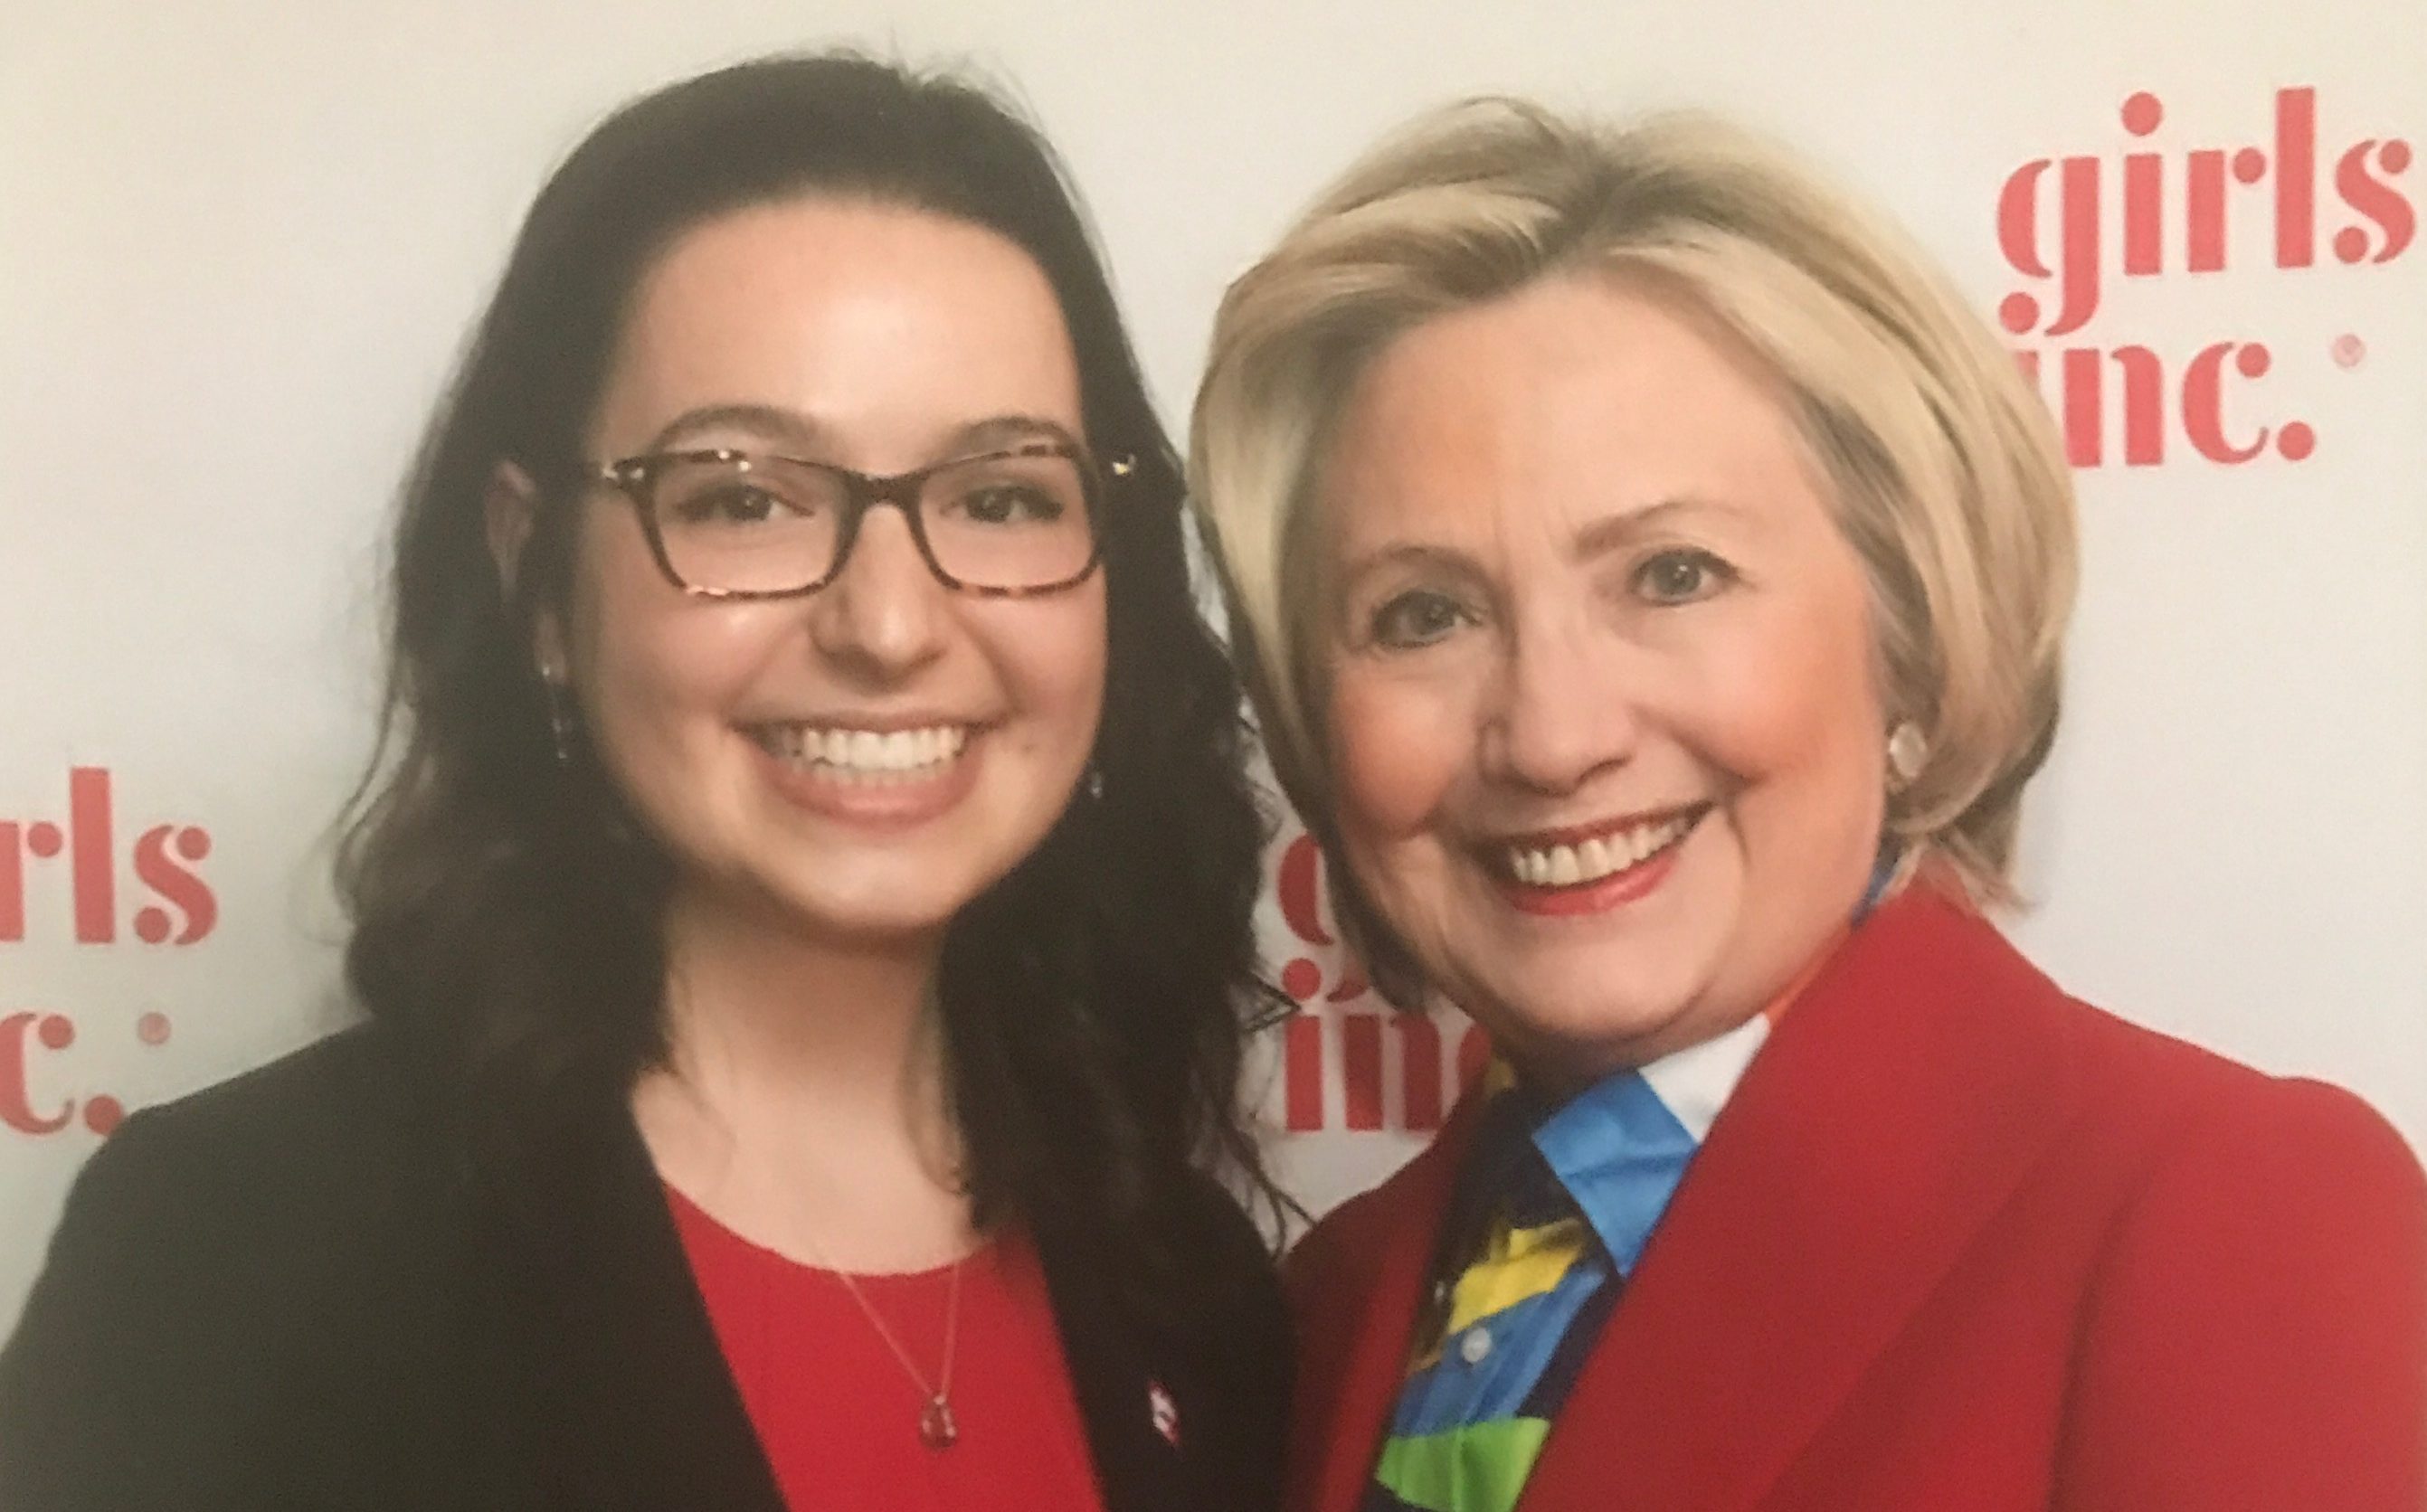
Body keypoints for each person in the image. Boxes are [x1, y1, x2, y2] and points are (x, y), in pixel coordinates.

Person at [0, 53, 1286, 1512]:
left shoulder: (1194, 1293)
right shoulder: (240, 1251)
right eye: (742, 497)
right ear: (537, 577)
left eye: (1000, 498)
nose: (890, 625)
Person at [1191, 97, 2426, 1512]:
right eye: (1423, 612)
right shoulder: (1337, 1299)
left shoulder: (2226, 1213)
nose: (1549, 734)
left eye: (1671, 575)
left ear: (1904, 632)